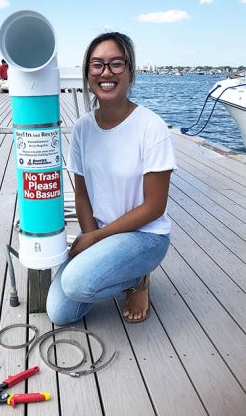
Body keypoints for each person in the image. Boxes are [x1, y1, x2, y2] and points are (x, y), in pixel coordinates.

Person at [46, 31, 177, 326]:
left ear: (130, 71)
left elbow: (155, 207)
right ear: (88, 74)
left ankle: (138, 280)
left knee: (77, 282)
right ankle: (115, 271)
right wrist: (91, 237)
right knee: (60, 312)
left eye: (116, 64)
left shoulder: (150, 127)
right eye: (97, 65)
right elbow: (82, 196)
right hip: (104, 233)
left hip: (145, 236)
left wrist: (96, 238)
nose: (107, 72)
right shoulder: (82, 128)